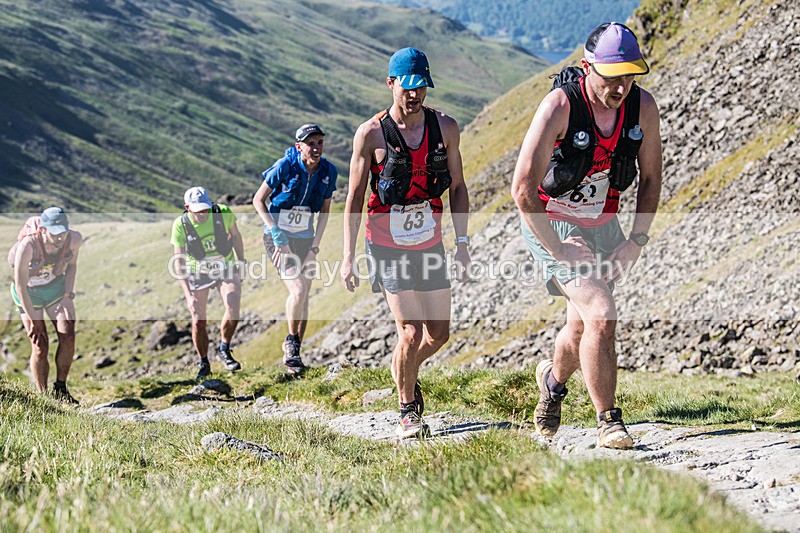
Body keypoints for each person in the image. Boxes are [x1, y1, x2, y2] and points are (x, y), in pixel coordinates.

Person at [511, 22, 662, 449]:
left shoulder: (642, 107)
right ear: (586, 67)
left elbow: (651, 178)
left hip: (604, 223)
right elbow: (522, 188)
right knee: (601, 310)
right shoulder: (560, 105)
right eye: (612, 76)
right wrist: (556, 246)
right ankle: (609, 422)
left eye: (630, 75)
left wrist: (636, 240)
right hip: (552, 220)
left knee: (580, 330)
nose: (621, 87)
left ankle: (552, 384)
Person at [341, 47, 471, 439]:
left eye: (421, 87)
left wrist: (462, 242)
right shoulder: (371, 134)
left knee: (439, 334)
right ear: (391, 84)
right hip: (385, 243)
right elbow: (353, 197)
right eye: (407, 87)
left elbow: (459, 187)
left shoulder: (445, 127)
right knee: (411, 332)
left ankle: (403, 368)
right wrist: (347, 257)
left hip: (428, 241)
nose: (414, 95)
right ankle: (408, 409)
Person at [253, 123, 337, 374]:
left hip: (305, 239)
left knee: (305, 297)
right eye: (310, 143)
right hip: (278, 238)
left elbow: (325, 212)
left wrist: (315, 247)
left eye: (320, 142)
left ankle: (295, 358)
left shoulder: (328, 171)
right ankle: (290, 342)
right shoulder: (285, 166)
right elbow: (258, 200)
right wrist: (276, 233)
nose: (316, 148)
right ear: (298, 146)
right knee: (298, 290)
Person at [171, 187, 245, 380]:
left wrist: (242, 262)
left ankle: (224, 348)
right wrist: (188, 296)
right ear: (187, 208)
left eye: (206, 209)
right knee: (198, 320)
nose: (203, 214)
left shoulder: (222, 213)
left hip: (225, 265)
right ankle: (204, 363)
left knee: (233, 303)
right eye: (198, 211)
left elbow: (236, 236)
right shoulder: (180, 224)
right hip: (198, 271)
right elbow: (178, 262)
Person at [9, 207, 82, 403]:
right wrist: (34, 320)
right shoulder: (28, 246)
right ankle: (43, 397)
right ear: (43, 230)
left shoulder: (73, 239)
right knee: (40, 343)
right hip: (28, 293)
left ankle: (61, 389)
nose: (60, 238)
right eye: (55, 233)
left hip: (55, 289)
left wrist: (67, 295)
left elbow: (73, 265)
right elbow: (20, 285)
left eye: (63, 232)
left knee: (68, 333)